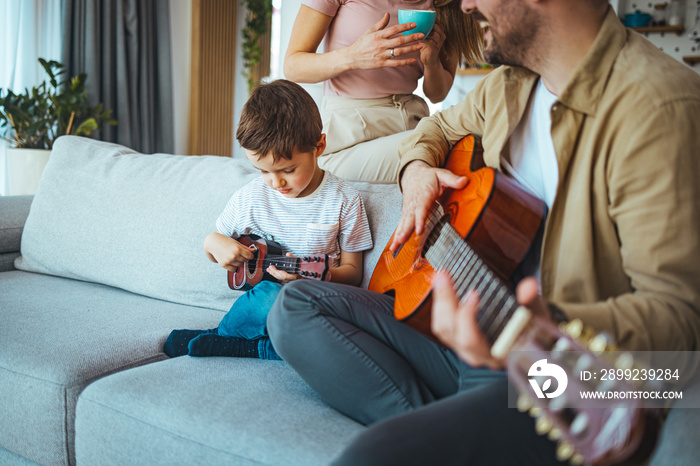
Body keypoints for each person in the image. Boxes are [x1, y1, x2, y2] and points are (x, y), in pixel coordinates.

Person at [268, 0, 700, 464]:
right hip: (473, 333)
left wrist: (537, 327)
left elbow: (678, 316)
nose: (466, 4)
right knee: (294, 306)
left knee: (371, 456)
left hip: (548, 366)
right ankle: (443, 423)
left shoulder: (657, 108)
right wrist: (415, 169)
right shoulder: (509, 87)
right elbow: (434, 128)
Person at [163, 79, 373, 360]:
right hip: (265, 301)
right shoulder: (249, 199)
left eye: (288, 169)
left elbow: (354, 273)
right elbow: (214, 246)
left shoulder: (344, 200)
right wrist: (214, 244)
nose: (275, 182)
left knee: (333, 341)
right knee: (269, 297)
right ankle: (239, 340)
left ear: (319, 145)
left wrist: (318, 277)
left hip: (316, 304)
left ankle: (230, 341)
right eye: (262, 171)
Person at [283, 0, 481, 183]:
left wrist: (432, 61)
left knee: (465, 148)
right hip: (349, 131)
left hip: (411, 121)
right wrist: (353, 56)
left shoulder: (447, 5)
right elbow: (293, 66)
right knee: (459, 153)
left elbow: (437, 94)